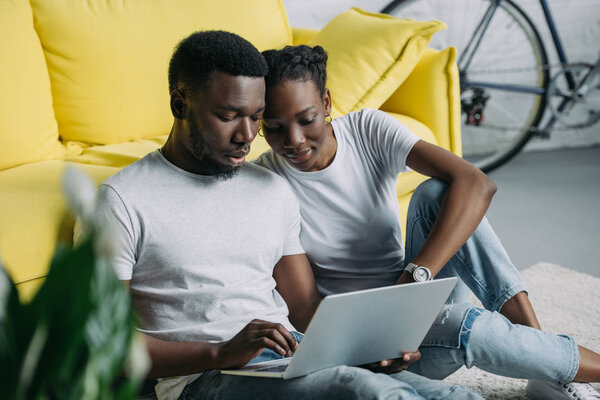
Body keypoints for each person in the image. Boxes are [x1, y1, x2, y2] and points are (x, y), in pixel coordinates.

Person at [93, 30, 485, 400]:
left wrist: (371, 348)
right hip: (206, 380)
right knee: (366, 393)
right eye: (229, 116)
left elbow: (307, 312)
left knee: (450, 394)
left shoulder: (269, 188)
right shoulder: (125, 200)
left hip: (296, 358)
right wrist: (218, 354)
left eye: (256, 117)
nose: (247, 135)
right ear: (180, 104)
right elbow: (105, 343)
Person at [255, 44, 600, 400]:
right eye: (275, 127)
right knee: (471, 326)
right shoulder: (267, 183)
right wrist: (381, 342)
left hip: (417, 295)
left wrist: (412, 280)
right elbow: (306, 313)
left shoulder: (365, 130)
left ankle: (546, 366)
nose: (293, 140)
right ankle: (549, 364)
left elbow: (478, 183)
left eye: (306, 119)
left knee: (438, 194)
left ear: (326, 103)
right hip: (369, 345)